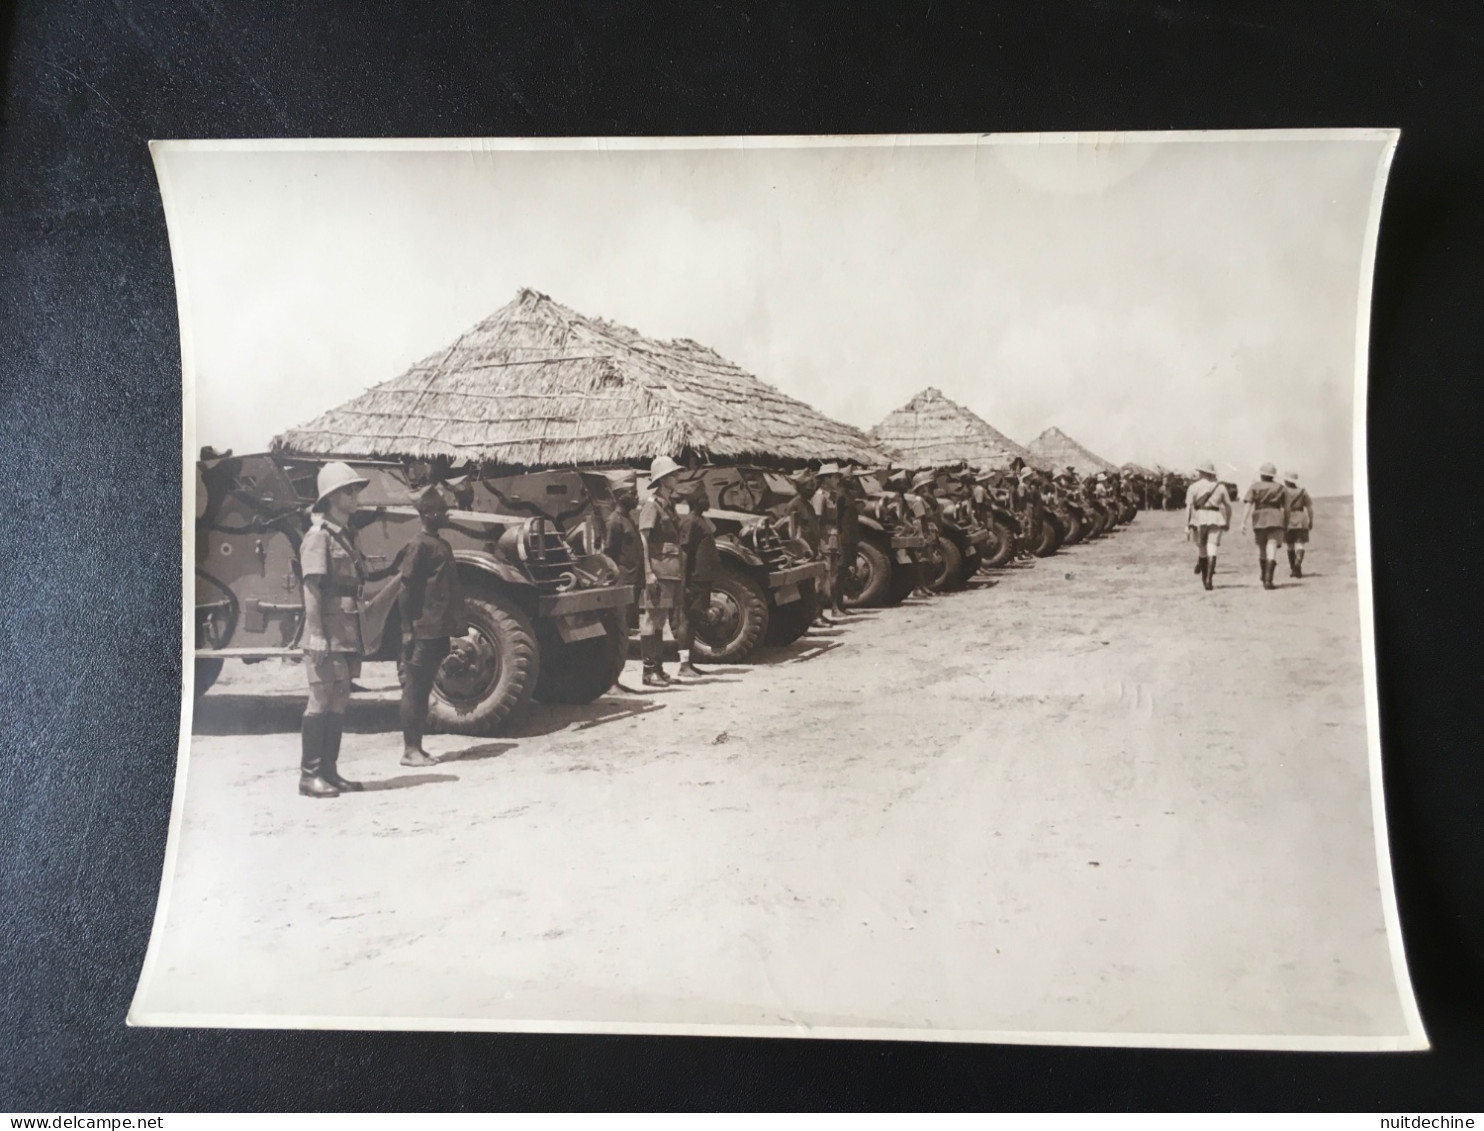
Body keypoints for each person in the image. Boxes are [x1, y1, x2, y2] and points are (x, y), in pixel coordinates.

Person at [298, 461, 371, 799]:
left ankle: (329, 770)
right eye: (348, 490)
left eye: (356, 489)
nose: (355, 495)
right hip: (326, 629)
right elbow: (311, 588)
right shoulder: (318, 537)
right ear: (330, 497)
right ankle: (309, 775)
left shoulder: (345, 535)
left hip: (346, 628)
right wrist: (315, 634)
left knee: (340, 696)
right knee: (321, 696)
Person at [396, 484, 467, 768]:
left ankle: (418, 748)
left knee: (424, 689)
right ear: (426, 513)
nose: (445, 513)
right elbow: (405, 590)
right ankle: (409, 750)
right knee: (414, 688)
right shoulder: (418, 545)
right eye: (439, 509)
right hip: (422, 630)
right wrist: (407, 631)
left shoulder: (440, 543)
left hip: (437, 629)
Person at [637, 456, 687, 687]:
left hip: (670, 570)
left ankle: (658, 668)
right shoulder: (652, 505)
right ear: (663, 479)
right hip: (658, 569)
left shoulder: (667, 505)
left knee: (660, 620)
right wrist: (648, 572)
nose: (677, 478)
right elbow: (644, 540)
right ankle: (648, 672)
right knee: (651, 617)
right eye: (673, 475)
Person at [675, 483, 720, 678]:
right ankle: (684, 665)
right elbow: (684, 554)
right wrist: (683, 584)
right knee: (687, 619)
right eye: (705, 497)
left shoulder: (701, 520)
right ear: (697, 501)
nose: (708, 500)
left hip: (701, 580)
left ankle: (689, 662)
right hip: (694, 580)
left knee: (693, 621)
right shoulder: (691, 522)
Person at [1241, 462, 1289, 590]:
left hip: (1259, 519)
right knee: (1271, 548)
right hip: (1276, 517)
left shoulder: (1254, 487)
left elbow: (1248, 504)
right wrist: (1287, 522)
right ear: (1273, 476)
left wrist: (1243, 522)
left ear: (1261, 475)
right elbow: (1287, 508)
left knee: (1262, 549)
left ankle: (1263, 575)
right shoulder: (1281, 488)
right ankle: (1269, 580)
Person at [1184, 460, 1230, 590]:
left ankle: (1204, 578)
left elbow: (1188, 507)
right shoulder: (1220, 487)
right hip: (1216, 518)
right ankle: (1210, 579)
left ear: (1201, 472)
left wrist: (1187, 525)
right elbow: (1228, 506)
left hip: (1199, 518)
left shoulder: (1193, 487)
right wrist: (1228, 521)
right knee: (1212, 548)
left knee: (1202, 550)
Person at [1282, 471, 1314, 577]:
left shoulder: (1283, 491)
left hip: (1288, 518)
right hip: (1301, 518)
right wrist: (1311, 520)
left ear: (1286, 480)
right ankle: (1297, 566)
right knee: (1300, 544)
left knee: (1290, 545)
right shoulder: (1303, 491)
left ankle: (1293, 569)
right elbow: (1310, 508)